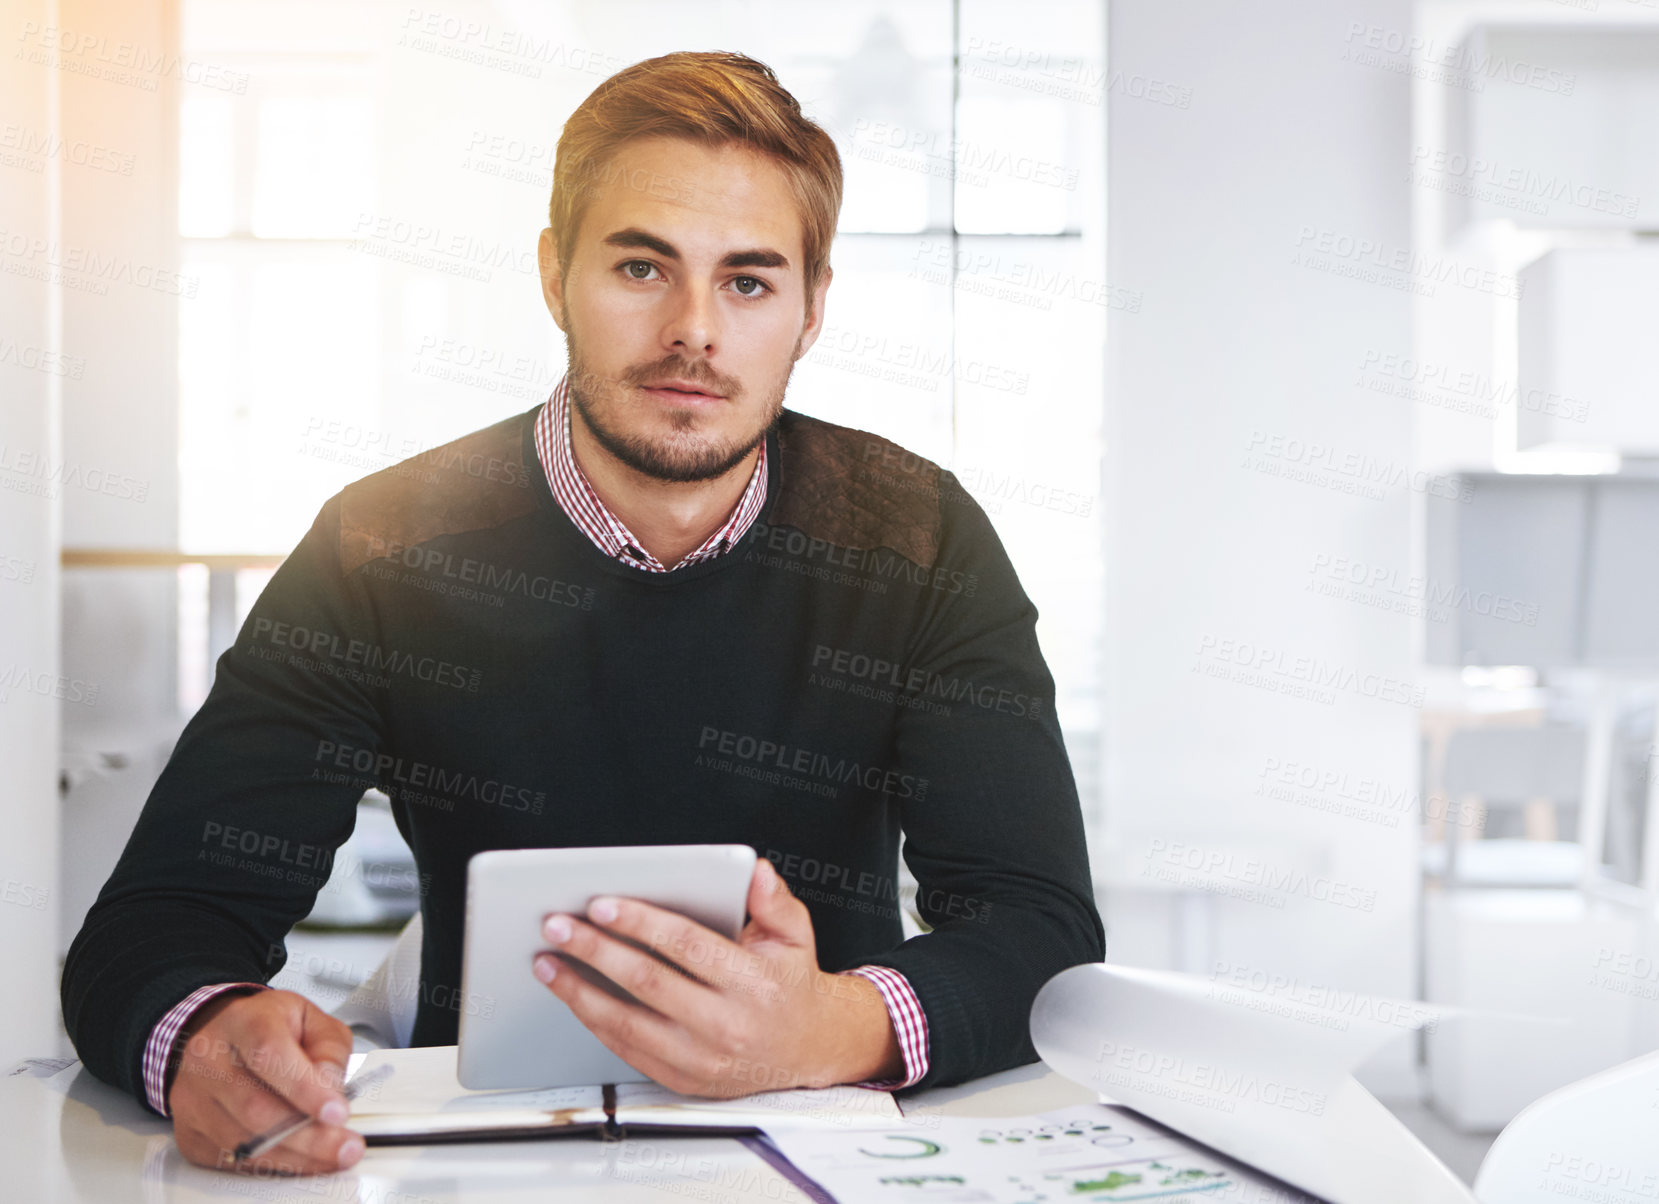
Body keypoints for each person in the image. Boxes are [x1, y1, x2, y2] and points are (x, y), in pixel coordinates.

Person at [61, 50, 1104, 1177]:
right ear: (556, 275)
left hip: (826, 1145)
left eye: (749, 281)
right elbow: (157, 925)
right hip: (478, 1154)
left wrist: (830, 1027)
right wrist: (201, 1037)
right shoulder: (384, 543)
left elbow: (1038, 926)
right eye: (643, 267)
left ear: (811, 310)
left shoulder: (919, 535)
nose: (695, 330)